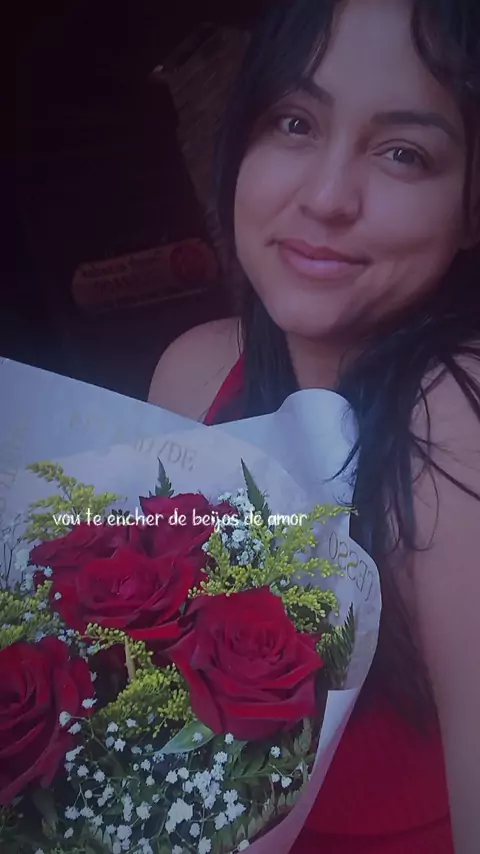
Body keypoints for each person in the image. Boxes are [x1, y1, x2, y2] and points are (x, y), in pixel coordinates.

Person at [148, 1, 480, 851]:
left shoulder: (455, 415)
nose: (327, 198)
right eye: (294, 122)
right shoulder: (194, 373)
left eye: (403, 153)